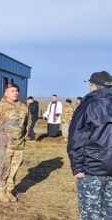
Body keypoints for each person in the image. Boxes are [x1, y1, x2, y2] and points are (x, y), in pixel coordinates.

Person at [67, 71, 112, 220]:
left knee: (90, 213)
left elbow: (76, 138)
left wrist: (78, 166)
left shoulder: (88, 105)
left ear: (93, 86)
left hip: (92, 168)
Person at [0, 83, 31, 203]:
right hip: (3, 144)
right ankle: (1, 190)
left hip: (18, 145)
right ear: (6, 93)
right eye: (12, 91)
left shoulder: (23, 107)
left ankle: (9, 190)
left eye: (16, 91)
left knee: (14, 169)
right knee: (2, 168)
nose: (15, 93)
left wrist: (25, 137)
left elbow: (28, 122)